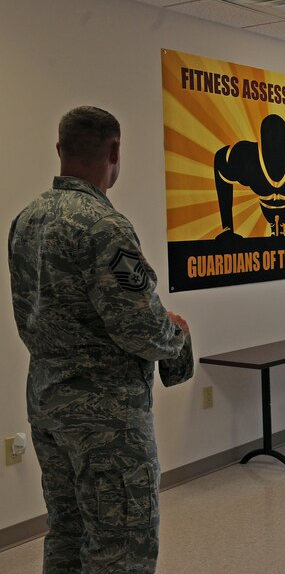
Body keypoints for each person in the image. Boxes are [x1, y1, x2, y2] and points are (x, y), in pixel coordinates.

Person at [7, 106, 194, 573]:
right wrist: (177, 335)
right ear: (114, 151)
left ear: (59, 150)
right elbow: (141, 328)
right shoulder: (103, 226)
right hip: (106, 420)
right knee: (119, 547)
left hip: (48, 403)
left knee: (68, 535)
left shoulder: (26, 220)